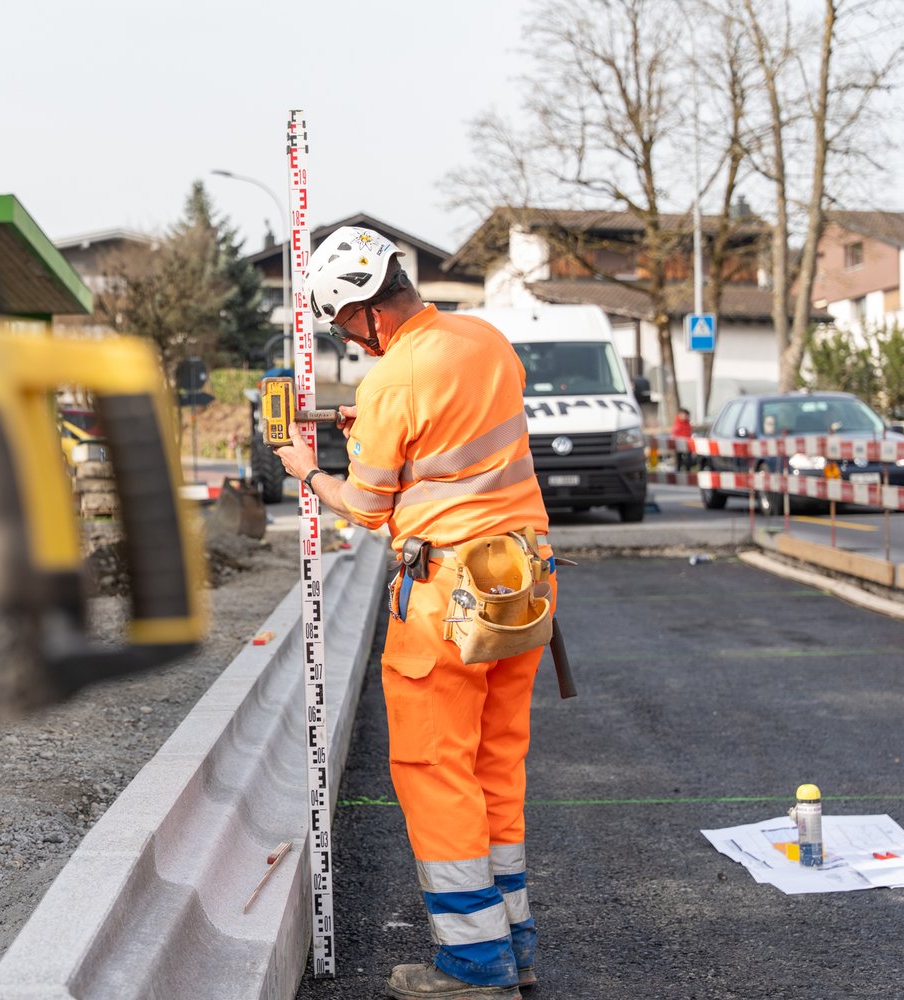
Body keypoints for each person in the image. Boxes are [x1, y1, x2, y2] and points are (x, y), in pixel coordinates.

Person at [274, 227, 554, 1000]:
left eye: (343, 327)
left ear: (364, 311)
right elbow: (454, 432)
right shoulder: (484, 339)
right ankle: (514, 949)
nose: (349, 343)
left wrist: (309, 472)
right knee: (496, 766)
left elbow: (367, 507)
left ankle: (472, 967)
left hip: (444, 601)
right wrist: (367, 427)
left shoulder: (391, 381)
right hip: (522, 584)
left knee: (435, 770)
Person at [671, 407, 694, 472]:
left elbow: (689, 433)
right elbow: (674, 434)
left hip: (687, 444)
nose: (685, 417)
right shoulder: (677, 424)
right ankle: (678, 471)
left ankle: (688, 471)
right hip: (678, 444)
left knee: (688, 460)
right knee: (679, 460)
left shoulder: (688, 424)